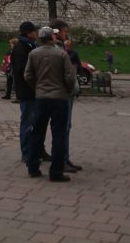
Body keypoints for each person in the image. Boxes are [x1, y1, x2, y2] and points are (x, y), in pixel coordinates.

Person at [24, 26, 77, 182]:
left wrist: (37, 88)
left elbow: (28, 75)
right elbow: (69, 76)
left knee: (37, 133)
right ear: (51, 38)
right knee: (59, 135)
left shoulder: (33, 54)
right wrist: (66, 90)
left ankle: (33, 167)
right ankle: (56, 172)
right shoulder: (61, 54)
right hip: (59, 98)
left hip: (41, 97)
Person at [51, 19, 82, 173]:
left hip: (60, 91)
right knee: (62, 127)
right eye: (64, 30)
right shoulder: (56, 47)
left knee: (65, 127)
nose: (66, 33)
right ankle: (61, 160)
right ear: (57, 31)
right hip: (61, 92)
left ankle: (65, 158)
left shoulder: (58, 46)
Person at [10, 22, 38, 163]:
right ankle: (26, 152)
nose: (36, 33)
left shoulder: (28, 46)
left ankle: (36, 150)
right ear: (28, 32)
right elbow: (23, 73)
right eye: (34, 31)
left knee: (34, 122)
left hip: (30, 91)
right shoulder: (22, 48)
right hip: (27, 92)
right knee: (27, 122)